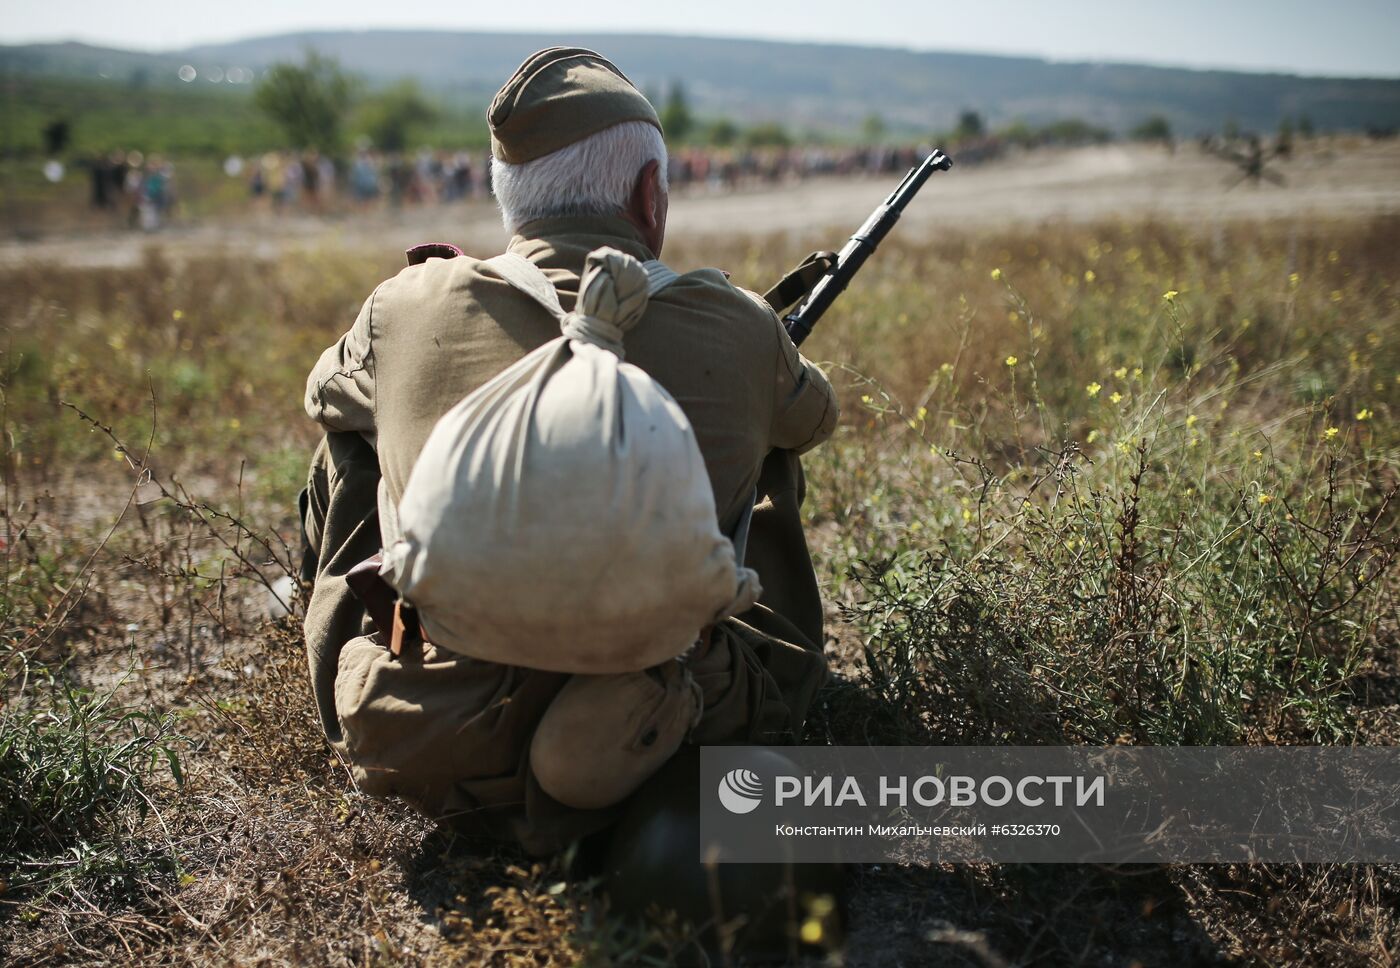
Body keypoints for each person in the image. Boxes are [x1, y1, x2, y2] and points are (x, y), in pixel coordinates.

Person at [300, 48, 838, 858]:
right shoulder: (736, 322)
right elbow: (815, 417)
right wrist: (740, 342)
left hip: (427, 728)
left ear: (509, 200)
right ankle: (663, 693)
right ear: (648, 195)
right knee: (771, 453)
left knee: (353, 437)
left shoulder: (406, 304)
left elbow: (321, 394)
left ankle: (378, 653)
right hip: (674, 717)